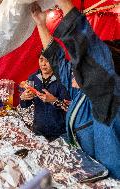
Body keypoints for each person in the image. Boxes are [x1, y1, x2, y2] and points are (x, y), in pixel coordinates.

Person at [31, 0, 120, 179]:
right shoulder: (83, 94)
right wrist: (41, 23)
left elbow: (90, 50)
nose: (76, 70)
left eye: (85, 67)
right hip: (87, 176)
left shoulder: (108, 98)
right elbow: (58, 62)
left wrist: (63, 3)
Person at [20, 54, 70, 141]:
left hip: (59, 133)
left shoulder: (62, 79)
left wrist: (53, 100)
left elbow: (68, 107)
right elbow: (25, 105)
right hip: (38, 130)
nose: (43, 64)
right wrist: (23, 98)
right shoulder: (33, 78)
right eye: (41, 59)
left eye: (47, 61)